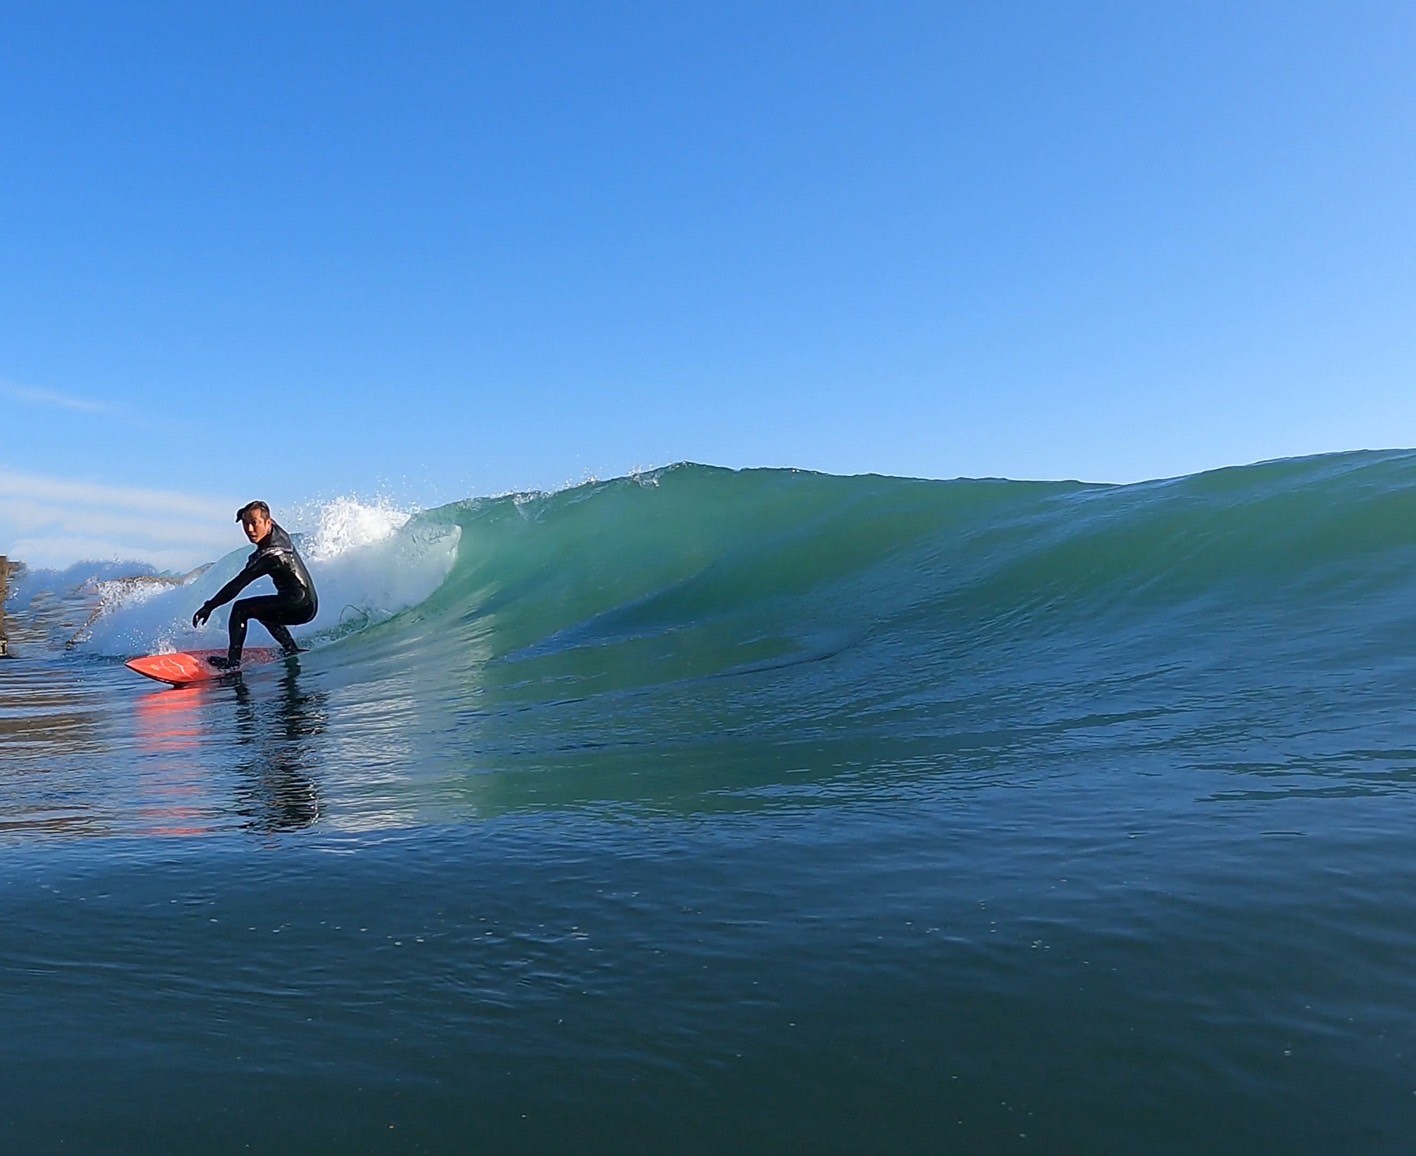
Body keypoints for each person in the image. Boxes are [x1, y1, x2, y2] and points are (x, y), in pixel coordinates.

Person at [192, 501, 318, 669]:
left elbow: (237, 585)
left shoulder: (271, 556)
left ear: (268, 522)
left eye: (254, 523)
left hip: (299, 607)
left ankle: (232, 662)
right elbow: (257, 511)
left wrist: (209, 606)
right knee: (264, 609)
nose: (250, 529)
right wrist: (243, 513)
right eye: (245, 524)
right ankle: (290, 649)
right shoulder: (277, 532)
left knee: (241, 609)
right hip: (307, 603)